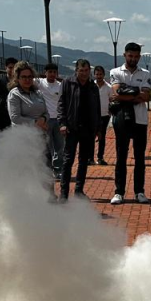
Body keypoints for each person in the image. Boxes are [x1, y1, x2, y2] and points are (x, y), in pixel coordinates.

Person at [108, 42, 151, 204]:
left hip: (140, 120)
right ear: (125, 55)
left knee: (140, 158)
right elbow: (116, 91)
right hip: (121, 119)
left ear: (139, 56)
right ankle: (119, 192)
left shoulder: (145, 73)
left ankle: (139, 191)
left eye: (136, 56)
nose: (133, 59)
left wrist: (123, 95)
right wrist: (135, 93)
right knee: (121, 156)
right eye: (130, 56)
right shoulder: (115, 72)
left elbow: (147, 96)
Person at [57, 59, 101, 201]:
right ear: (76, 70)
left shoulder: (92, 86)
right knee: (68, 160)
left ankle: (79, 191)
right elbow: (61, 104)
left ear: (90, 71)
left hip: (88, 129)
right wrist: (62, 123)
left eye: (87, 71)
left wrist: (98, 128)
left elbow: (97, 108)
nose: (84, 73)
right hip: (71, 127)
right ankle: (64, 193)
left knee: (84, 160)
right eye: (81, 71)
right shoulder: (67, 83)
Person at [7, 62, 49, 158]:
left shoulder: (38, 93)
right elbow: (15, 118)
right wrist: (35, 122)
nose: (27, 79)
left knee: (44, 167)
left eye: (30, 77)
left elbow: (46, 113)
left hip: (40, 138)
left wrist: (44, 119)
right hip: (23, 140)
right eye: (24, 77)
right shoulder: (14, 94)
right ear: (17, 78)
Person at [40, 63, 64, 180]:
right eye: (50, 72)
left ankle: (58, 170)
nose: (52, 74)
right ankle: (47, 170)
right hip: (46, 120)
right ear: (45, 73)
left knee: (59, 146)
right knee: (47, 147)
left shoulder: (60, 86)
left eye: (54, 72)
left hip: (58, 120)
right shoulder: (39, 83)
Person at [93, 64, 111, 164]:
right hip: (92, 116)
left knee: (102, 137)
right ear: (94, 75)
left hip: (104, 116)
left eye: (100, 74)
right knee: (91, 137)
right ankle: (90, 158)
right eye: (97, 74)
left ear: (103, 75)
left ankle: (100, 157)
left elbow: (111, 100)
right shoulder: (91, 86)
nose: (99, 76)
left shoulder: (109, 87)